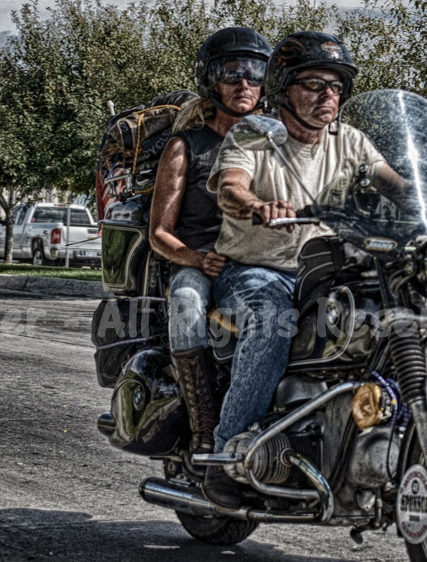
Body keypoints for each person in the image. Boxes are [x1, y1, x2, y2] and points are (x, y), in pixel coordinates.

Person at [201, 32, 427, 509]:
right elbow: (230, 188)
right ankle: (227, 453)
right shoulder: (254, 134)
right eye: (315, 85)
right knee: (271, 327)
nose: (329, 96)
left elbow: (401, 187)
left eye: (337, 86)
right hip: (257, 270)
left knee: (390, 319)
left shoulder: (351, 141)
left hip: (326, 269)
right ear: (284, 88)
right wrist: (259, 205)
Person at [149, 27, 273, 456]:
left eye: (255, 74)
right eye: (232, 72)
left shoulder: (270, 145)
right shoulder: (187, 146)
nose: (245, 83)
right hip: (200, 261)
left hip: (255, 260)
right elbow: (159, 233)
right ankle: (204, 424)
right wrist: (196, 260)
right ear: (211, 80)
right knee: (186, 303)